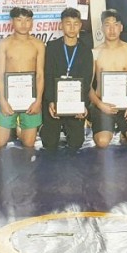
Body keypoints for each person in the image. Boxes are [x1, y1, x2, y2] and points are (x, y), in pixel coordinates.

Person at [88, 10, 127, 148]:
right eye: (107, 25)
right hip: (102, 104)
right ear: (102, 28)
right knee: (102, 142)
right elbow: (88, 86)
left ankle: (124, 131)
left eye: (115, 25)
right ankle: (105, 128)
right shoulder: (95, 52)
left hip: (125, 104)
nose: (112, 29)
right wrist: (99, 104)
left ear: (121, 27)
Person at [42, 8, 93, 151]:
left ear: (80, 26)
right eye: (68, 23)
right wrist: (51, 101)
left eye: (75, 23)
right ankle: (44, 128)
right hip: (55, 102)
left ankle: (70, 128)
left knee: (76, 143)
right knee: (49, 143)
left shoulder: (85, 50)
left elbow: (87, 79)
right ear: (61, 25)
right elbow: (48, 75)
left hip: (74, 102)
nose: (72, 27)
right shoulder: (52, 47)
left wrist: (83, 105)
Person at [0, 7, 46, 150]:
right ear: (12, 22)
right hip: (9, 97)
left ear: (32, 22)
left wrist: (38, 101)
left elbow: (40, 74)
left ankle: (17, 131)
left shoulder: (38, 44)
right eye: (19, 20)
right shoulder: (4, 44)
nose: (24, 24)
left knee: (29, 143)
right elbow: (0, 73)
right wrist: (2, 101)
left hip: (30, 97)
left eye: (28, 20)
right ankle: (13, 129)